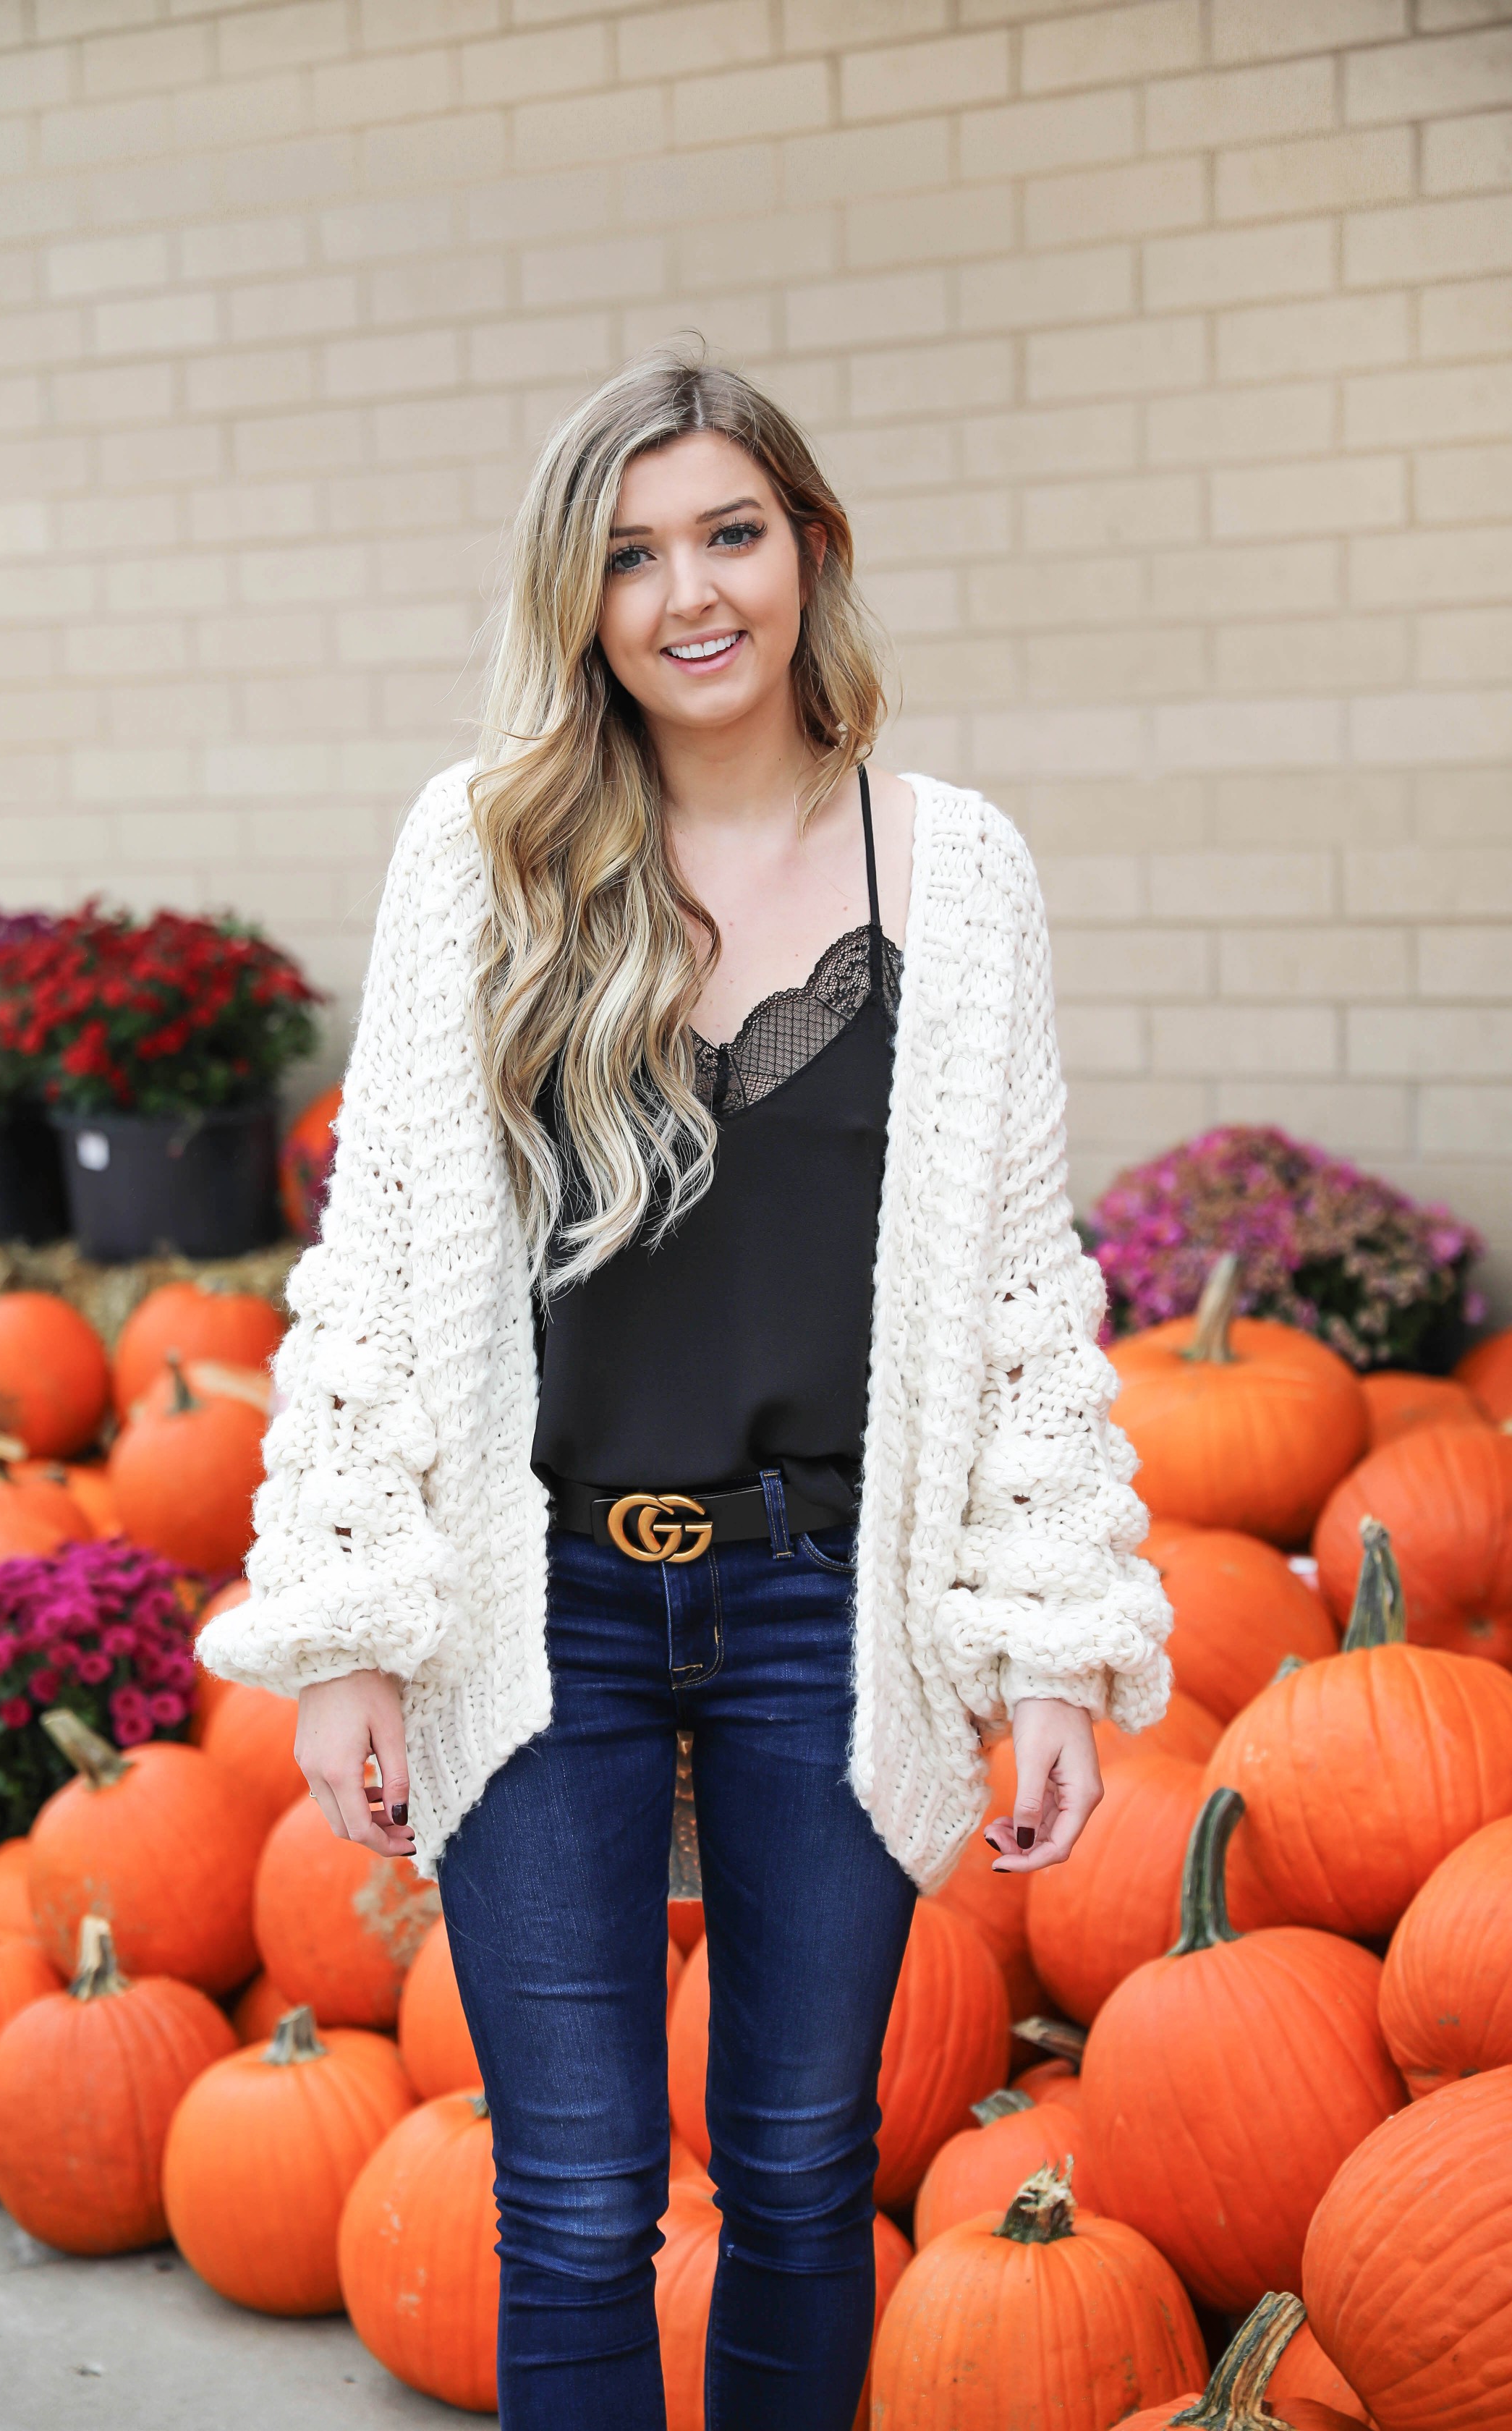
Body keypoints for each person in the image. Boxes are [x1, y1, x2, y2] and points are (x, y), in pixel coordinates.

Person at [199, 352, 1172, 2431]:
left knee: (810, 2182)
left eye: (731, 533)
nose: (689, 594)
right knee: (565, 2208)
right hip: (535, 1606)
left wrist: (1053, 1653)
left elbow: (1017, 1278)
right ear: (580, 602)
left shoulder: (955, 870)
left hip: (830, 1607)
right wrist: (353, 1632)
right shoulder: (485, 856)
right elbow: (374, 1264)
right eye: (629, 556)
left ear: (812, 550)